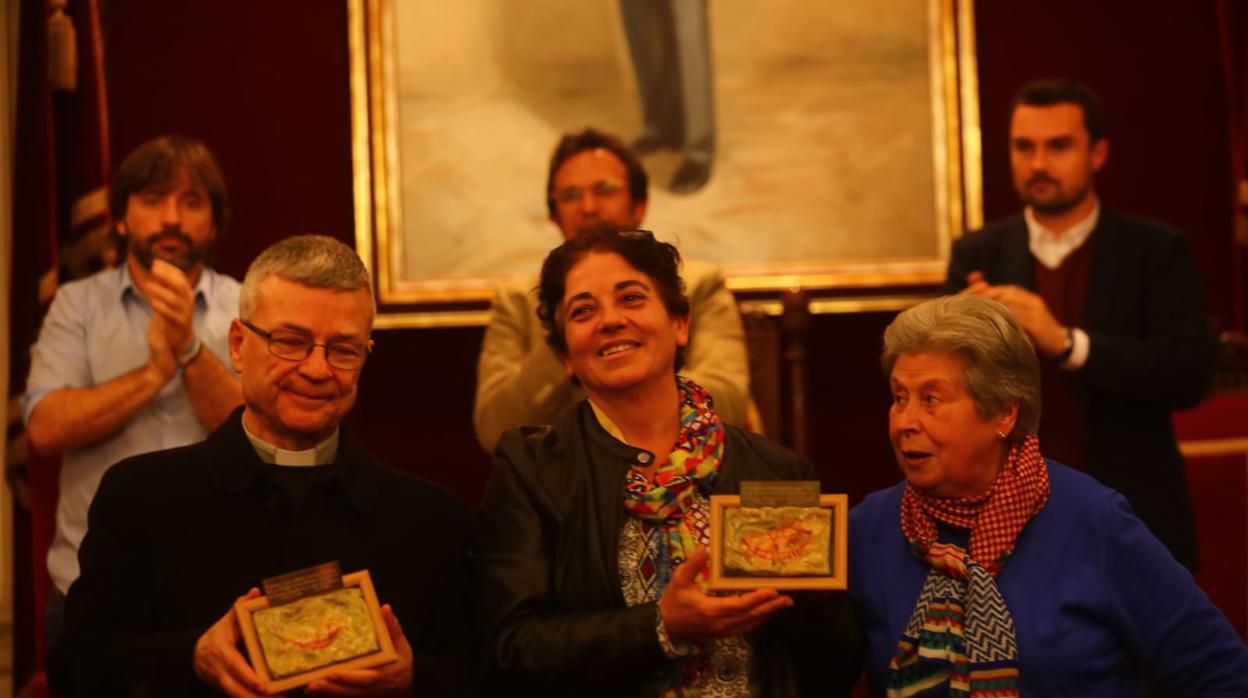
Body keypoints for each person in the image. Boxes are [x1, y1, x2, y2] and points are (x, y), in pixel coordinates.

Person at [48, 236, 472, 697]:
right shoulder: (140, 496)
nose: (316, 368)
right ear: (237, 345)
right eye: (290, 342)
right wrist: (192, 656)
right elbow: (77, 667)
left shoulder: (431, 521)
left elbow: (483, 675)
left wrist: (414, 680)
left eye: (344, 350)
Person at [476, 229, 860, 696]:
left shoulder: (774, 469)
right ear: (565, 356)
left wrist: (814, 608)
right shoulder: (532, 469)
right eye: (583, 311)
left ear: (680, 324)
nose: (611, 320)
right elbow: (511, 648)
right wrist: (660, 625)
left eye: (631, 298)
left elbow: (836, 668)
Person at [849, 295, 1248, 696]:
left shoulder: (1093, 520)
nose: (906, 422)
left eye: (931, 400)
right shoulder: (870, 528)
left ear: (1005, 413)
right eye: (900, 398)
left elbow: (1219, 671)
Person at [945, 79, 1212, 570]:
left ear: (1099, 153)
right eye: (1024, 147)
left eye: (1059, 146)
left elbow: (1188, 375)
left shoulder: (1155, 250)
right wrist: (963, 345)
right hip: (1004, 521)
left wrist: (1068, 343)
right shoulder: (977, 254)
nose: (1039, 163)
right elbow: (948, 396)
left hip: (1133, 512)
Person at [21, 134, 244, 640]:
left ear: (213, 224)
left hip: (221, 591)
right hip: (93, 588)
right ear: (120, 219)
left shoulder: (246, 305)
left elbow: (264, 435)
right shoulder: (75, 305)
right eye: (152, 200)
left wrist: (188, 349)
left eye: (191, 202)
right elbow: (46, 430)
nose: (172, 218)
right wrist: (151, 375)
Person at [473, 128, 749, 452]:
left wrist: (635, 375)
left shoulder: (697, 285)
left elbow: (730, 404)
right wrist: (563, 328)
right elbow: (494, 430)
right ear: (553, 215)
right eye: (571, 195)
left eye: (605, 189)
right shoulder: (518, 300)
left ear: (639, 205)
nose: (588, 207)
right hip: (563, 482)